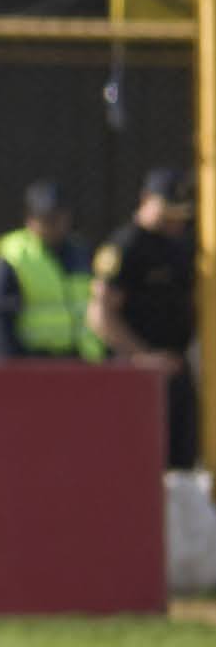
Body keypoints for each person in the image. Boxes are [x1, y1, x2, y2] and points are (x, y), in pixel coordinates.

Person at [90, 165, 196, 469]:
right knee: (137, 462)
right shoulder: (127, 246)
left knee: (180, 464)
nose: (174, 220)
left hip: (176, 367)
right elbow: (100, 314)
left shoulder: (180, 245)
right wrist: (142, 356)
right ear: (146, 199)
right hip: (138, 373)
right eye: (167, 212)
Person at [0, 176, 96, 357]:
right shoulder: (14, 254)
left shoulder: (80, 250)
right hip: (32, 360)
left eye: (59, 217)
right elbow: (0, 316)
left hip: (80, 357)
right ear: (30, 219)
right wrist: (7, 366)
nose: (55, 225)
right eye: (47, 218)